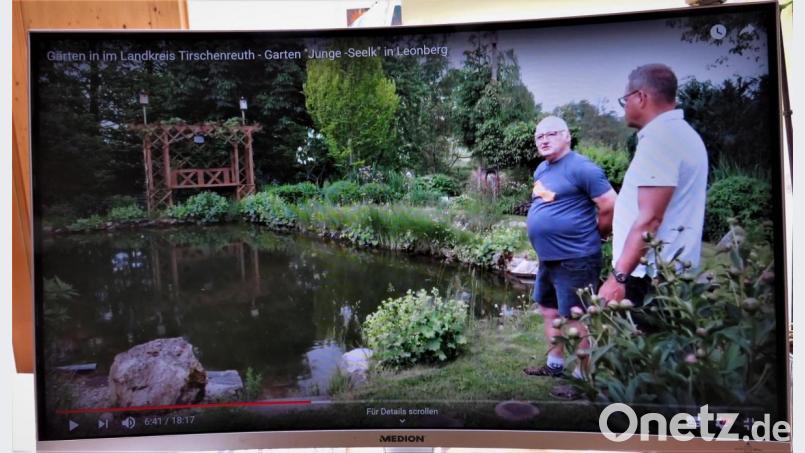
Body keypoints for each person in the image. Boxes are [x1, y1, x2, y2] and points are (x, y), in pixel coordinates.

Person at [598, 64, 708, 305]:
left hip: (650, 280)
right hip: (669, 274)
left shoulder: (661, 140)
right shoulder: (680, 134)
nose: (624, 107)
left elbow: (650, 219)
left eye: (625, 100)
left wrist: (618, 277)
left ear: (640, 97)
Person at [523, 116, 617, 381]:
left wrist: (599, 234)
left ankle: (582, 377)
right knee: (549, 310)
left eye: (551, 134)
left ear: (567, 136)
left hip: (576, 258)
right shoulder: (542, 169)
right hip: (548, 257)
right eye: (539, 136)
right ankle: (554, 364)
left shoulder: (582, 168)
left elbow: (610, 204)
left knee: (577, 318)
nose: (544, 140)